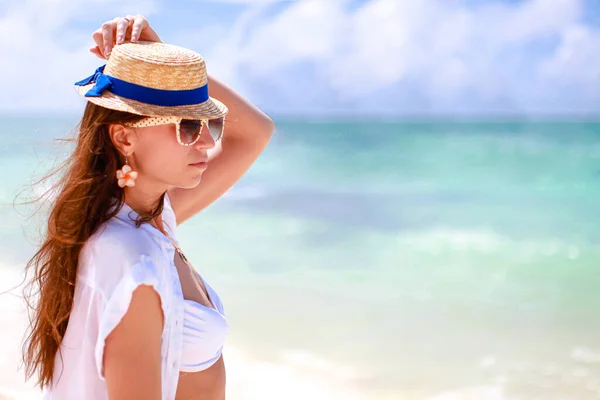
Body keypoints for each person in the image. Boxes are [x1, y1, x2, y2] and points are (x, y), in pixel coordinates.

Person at [20, 14, 275, 400]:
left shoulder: (152, 218)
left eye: (211, 125)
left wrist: (165, 62)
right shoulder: (132, 258)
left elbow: (255, 132)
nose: (206, 143)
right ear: (124, 137)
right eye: (187, 126)